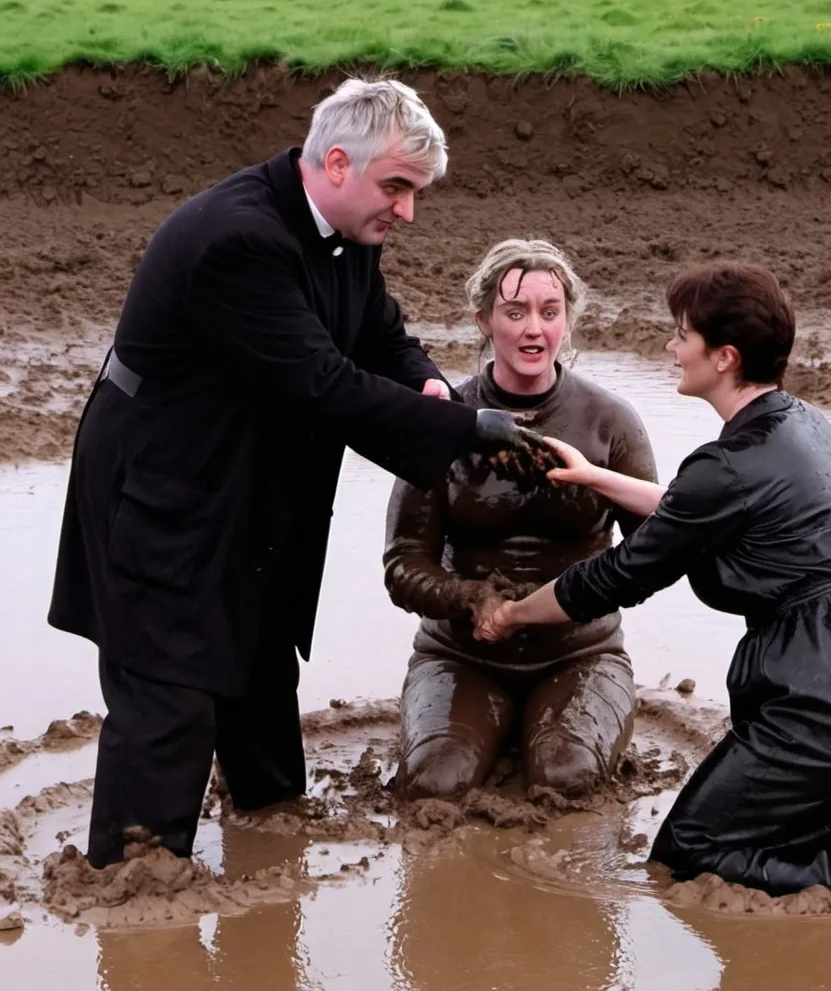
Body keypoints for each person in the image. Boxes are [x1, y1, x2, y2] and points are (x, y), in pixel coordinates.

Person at [48, 77, 538, 870]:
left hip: (247, 481)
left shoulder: (342, 235)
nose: (407, 211)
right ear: (337, 162)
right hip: (166, 488)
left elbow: (380, 338)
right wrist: (463, 428)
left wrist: (435, 388)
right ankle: (134, 884)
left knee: (257, 664)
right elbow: (324, 386)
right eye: (398, 188)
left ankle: (268, 834)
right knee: (169, 695)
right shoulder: (238, 241)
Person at [476, 261, 831, 894]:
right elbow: (693, 509)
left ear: (724, 357)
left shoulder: (726, 464)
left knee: (688, 853)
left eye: (683, 336)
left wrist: (511, 614)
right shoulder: (803, 424)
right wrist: (596, 476)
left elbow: (615, 577)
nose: (672, 348)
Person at [383, 239, 658, 798]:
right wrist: (470, 598)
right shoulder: (440, 421)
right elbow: (401, 563)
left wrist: (568, 601)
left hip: (582, 653)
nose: (534, 329)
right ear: (484, 319)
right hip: (459, 654)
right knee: (434, 782)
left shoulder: (611, 423)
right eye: (515, 312)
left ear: (567, 321)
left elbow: (654, 553)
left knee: (568, 777)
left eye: (549, 312)